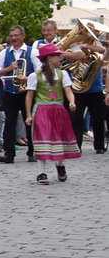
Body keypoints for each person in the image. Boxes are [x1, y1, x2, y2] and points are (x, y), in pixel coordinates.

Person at [27, 43, 78, 184]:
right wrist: (29, 115)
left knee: (59, 138)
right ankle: (41, 172)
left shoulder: (62, 74)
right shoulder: (35, 76)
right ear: (49, 58)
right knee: (42, 137)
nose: (60, 57)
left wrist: (72, 102)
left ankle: (60, 165)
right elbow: (29, 96)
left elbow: (68, 90)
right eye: (57, 55)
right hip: (42, 108)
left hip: (58, 108)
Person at [0, 26, 38, 164]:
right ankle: (9, 154)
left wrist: (27, 78)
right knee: (9, 122)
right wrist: (9, 69)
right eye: (12, 35)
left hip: (27, 93)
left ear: (23, 36)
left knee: (29, 122)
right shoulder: (4, 53)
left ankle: (32, 152)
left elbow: (40, 71)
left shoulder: (32, 52)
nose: (14, 38)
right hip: (10, 92)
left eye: (17, 35)